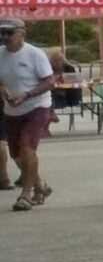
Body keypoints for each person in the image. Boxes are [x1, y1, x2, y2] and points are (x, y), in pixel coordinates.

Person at [0, 18, 59, 212]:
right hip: (12, 110)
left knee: (27, 148)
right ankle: (40, 185)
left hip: (36, 106)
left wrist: (26, 95)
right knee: (17, 156)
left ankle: (25, 195)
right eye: (2, 33)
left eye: (10, 32)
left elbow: (49, 81)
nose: (5, 37)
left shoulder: (34, 54)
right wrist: (4, 92)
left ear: (22, 33)